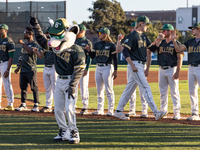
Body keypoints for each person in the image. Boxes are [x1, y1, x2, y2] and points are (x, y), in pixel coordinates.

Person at [29, 16, 85, 144]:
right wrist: (35, 27)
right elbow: (43, 42)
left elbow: (79, 69)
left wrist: (72, 85)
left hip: (70, 80)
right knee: (58, 109)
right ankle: (63, 130)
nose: (53, 41)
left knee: (70, 108)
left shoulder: (77, 50)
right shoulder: (56, 47)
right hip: (59, 79)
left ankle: (74, 131)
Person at [114, 15, 167, 120]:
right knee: (146, 88)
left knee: (129, 90)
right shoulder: (133, 35)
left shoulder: (143, 36)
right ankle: (156, 112)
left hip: (140, 64)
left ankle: (118, 111)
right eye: (146, 24)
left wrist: (159, 40)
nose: (147, 26)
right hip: (135, 64)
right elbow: (125, 51)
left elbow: (152, 48)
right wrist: (132, 65)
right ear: (140, 24)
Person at [148, 24, 183, 120]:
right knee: (162, 92)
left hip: (172, 69)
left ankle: (177, 113)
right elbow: (151, 48)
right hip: (161, 69)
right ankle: (163, 111)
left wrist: (178, 72)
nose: (162, 32)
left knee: (174, 92)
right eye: (162, 30)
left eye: (165, 30)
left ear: (170, 31)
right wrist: (157, 39)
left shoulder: (176, 43)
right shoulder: (161, 42)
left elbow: (180, 57)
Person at [116, 22, 149, 118]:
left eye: (132, 27)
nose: (131, 29)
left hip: (140, 64)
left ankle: (144, 110)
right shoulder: (130, 37)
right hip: (131, 65)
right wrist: (119, 40)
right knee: (130, 88)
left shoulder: (142, 37)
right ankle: (132, 109)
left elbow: (148, 51)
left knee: (142, 88)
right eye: (130, 28)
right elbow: (119, 50)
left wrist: (147, 67)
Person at [86, 27, 117, 116]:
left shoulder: (111, 45)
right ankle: (100, 109)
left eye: (100, 33)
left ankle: (110, 109)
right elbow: (92, 56)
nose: (98, 34)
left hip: (107, 67)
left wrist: (115, 70)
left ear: (105, 35)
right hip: (98, 67)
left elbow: (115, 58)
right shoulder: (97, 44)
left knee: (108, 89)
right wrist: (89, 51)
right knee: (99, 89)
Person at [171, 22, 200, 121]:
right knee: (192, 91)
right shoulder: (190, 41)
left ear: (199, 29)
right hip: (191, 67)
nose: (192, 30)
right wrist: (174, 40)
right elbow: (178, 50)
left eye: (194, 28)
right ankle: (195, 113)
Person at [14, 26, 40, 112]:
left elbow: (30, 51)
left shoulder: (34, 44)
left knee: (34, 87)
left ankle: (36, 105)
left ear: (30, 34)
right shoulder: (24, 45)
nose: (24, 34)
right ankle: (23, 104)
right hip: (23, 69)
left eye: (25, 32)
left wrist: (23, 43)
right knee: (23, 88)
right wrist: (18, 67)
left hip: (31, 69)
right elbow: (21, 56)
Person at [32, 27, 57, 113]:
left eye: (48, 33)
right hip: (46, 67)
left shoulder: (56, 43)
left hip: (54, 68)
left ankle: (57, 106)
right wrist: (36, 51)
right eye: (46, 33)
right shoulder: (45, 44)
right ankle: (48, 106)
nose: (46, 34)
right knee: (47, 88)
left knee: (55, 88)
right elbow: (41, 55)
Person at [74, 24, 92, 115]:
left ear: (82, 31)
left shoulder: (87, 42)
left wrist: (87, 68)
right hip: (74, 67)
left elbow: (89, 57)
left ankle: (85, 106)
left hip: (83, 67)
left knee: (83, 87)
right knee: (74, 86)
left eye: (78, 31)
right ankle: (73, 105)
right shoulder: (74, 41)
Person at [0, 24, 15, 111]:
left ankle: (10, 103)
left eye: (1, 29)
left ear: (6, 31)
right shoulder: (0, 41)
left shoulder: (9, 42)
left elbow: (11, 57)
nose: (0, 31)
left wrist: (8, 69)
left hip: (5, 63)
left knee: (6, 84)